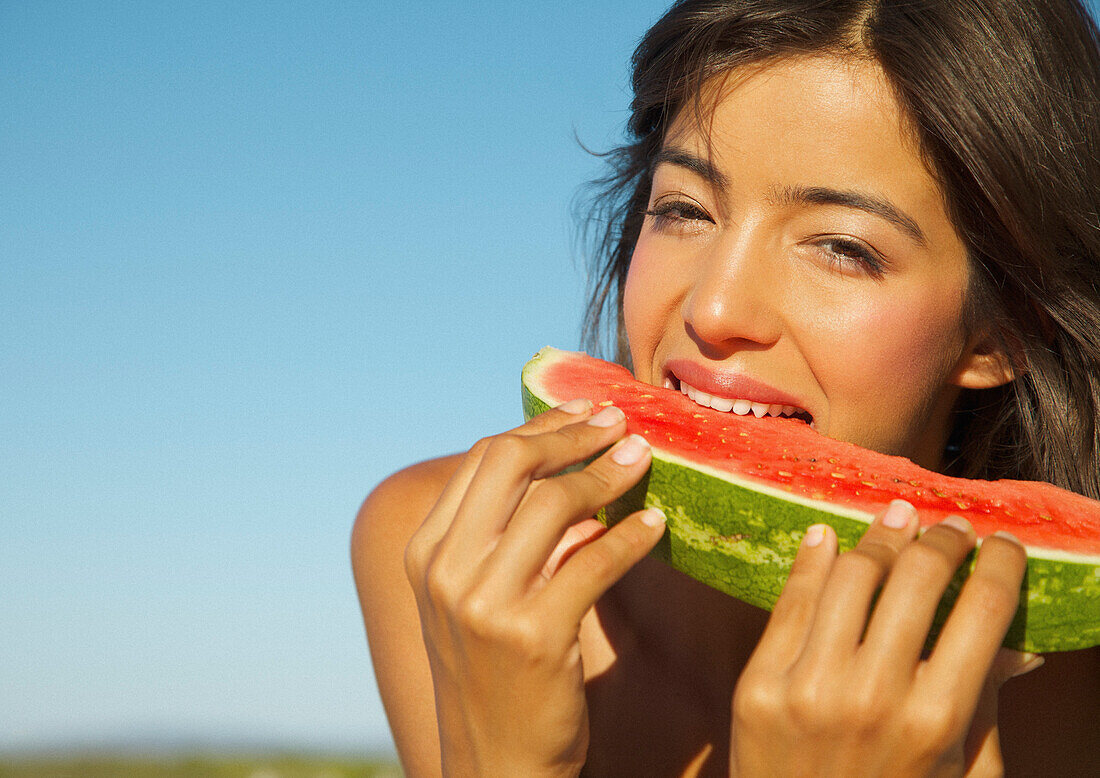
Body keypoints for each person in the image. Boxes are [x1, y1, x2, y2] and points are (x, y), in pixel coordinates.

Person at [353, 0, 1100, 775]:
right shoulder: (448, 559)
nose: (714, 309)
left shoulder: (1078, 684)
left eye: (841, 248)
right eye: (683, 209)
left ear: (1003, 333)